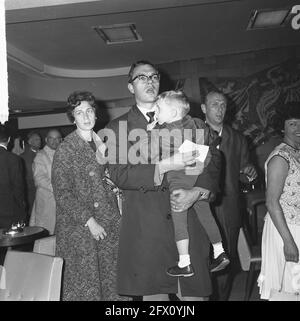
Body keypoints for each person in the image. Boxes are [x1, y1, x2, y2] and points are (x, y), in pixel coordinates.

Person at [99, 60, 214, 301]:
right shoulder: (118, 128)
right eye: (142, 77)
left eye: (154, 76)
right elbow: (121, 174)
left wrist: (200, 190)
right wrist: (164, 166)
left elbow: (214, 160)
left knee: (194, 299)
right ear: (130, 87)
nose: (150, 81)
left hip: (189, 225)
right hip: (148, 232)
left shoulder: (191, 121)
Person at [133, 90, 229, 275]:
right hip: (197, 174)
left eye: (159, 109)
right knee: (206, 214)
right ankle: (220, 251)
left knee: (179, 217)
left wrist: (150, 130)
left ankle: (184, 262)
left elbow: (148, 154)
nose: (156, 113)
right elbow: (210, 145)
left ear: (174, 113)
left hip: (179, 179)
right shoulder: (196, 123)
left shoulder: (163, 131)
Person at [52, 91, 128, 301]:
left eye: (89, 111)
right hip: (81, 232)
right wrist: (89, 221)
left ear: (96, 114)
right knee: (86, 289)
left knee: (113, 288)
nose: (85, 117)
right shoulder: (65, 149)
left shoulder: (106, 145)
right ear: (73, 117)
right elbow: (62, 193)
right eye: (79, 112)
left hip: (110, 224)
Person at [200, 90, 257, 301]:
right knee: (200, 263)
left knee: (225, 263)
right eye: (214, 104)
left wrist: (249, 172)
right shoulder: (193, 136)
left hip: (228, 209)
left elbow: (243, 173)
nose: (220, 109)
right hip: (200, 209)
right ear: (204, 109)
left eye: (223, 105)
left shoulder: (238, 139)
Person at [258, 102, 300, 301]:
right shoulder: (280, 157)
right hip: (284, 229)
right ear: (282, 128)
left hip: (296, 225)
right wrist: (289, 242)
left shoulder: (296, 153)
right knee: (285, 291)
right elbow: (271, 203)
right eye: (292, 124)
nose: (298, 128)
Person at [29, 129, 62, 234]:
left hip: (63, 200)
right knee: (46, 233)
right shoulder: (41, 156)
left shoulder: (64, 154)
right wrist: (58, 188)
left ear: (61, 140)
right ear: (46, 140)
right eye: (51, 138)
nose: (54, 141)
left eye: (57, 139)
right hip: (47, 200)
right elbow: (39, 178)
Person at [0, 125, 26, 229]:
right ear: (9, 139)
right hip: (9, 211)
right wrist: (22, 211)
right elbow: (18, 188)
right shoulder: (13, 159)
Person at [20, 131, 42, 221]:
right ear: (29, 142)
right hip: (31, 191)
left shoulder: (42, 153)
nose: (39, 141)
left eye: (40, 139)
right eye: (36, 139)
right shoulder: (23, 157)